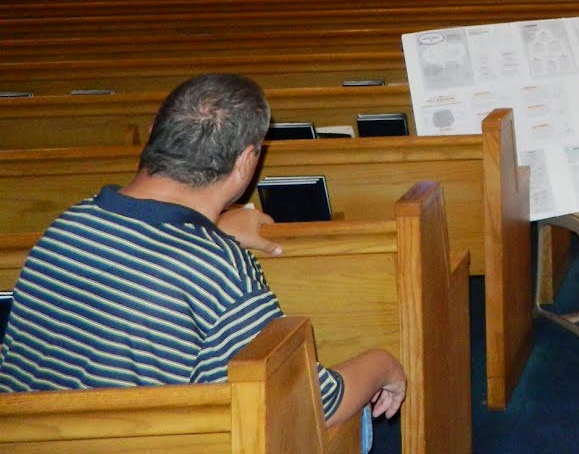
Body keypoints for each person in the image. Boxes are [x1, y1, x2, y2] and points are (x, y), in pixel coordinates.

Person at [0, 74, 405, 442]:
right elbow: (315, 402)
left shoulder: (69, 225)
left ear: (156, 134)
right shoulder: (217, 268)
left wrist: (216, 226)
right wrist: (384, 365)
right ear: (246, 162)